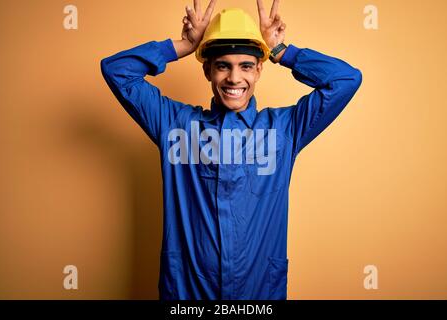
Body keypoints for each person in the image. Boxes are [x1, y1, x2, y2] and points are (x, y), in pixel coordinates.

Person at [101, 0, 362, 300]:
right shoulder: (175, 125)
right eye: (223, 65)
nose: (235, 78)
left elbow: (346, 79)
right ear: (207, 71)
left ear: (260, 69)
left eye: (246, 66)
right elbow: (117, 70)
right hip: (189, 296)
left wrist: (282, 51)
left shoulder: (284, 130)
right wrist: (183, 45)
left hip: (259, 295)